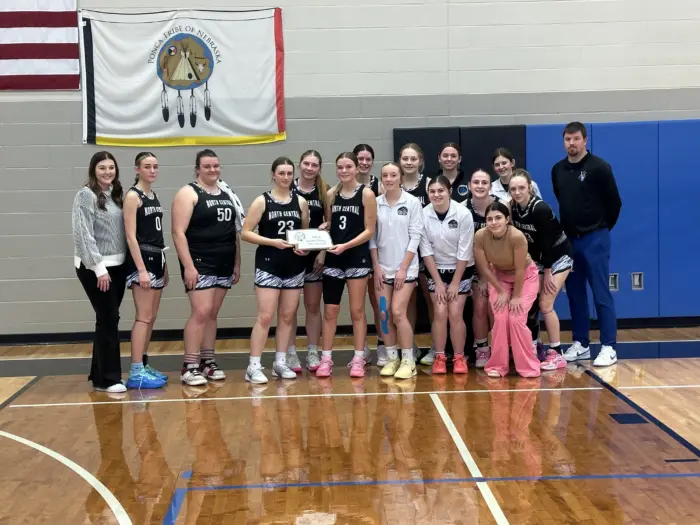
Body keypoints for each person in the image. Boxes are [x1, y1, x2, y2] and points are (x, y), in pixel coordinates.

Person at [552, 122, 622, 367]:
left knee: (601, 293)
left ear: (585, 140)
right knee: (575, 293)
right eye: (567, 139)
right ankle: (581, 344)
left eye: (576, 139)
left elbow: (614, 203)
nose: (571, 143)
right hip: (570, 242)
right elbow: (562, 199)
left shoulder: (599, 167)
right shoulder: (557, 169)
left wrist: (600, 228)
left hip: (595, 238)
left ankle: (609, 346)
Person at [171, 149, 242, 386]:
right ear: (197, 169)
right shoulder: (188, 193)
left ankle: (207, 361)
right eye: (207, 166)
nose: (213, 170)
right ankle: (189, 365)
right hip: (200, 261)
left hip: (224, 261)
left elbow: (234, 231)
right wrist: (188, 266)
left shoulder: (226, 192)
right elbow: (178, 233)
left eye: (216, 166)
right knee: (201, 312)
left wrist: (237, 262)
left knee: (212, 313)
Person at [241, 157, 310, 384]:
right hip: (269, 264)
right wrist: (272, 242)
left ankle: (280, 362)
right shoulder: (262, 201)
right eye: (281, 173)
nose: (286, 177)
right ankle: (253, 365)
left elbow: (303, 234)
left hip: (294, 266)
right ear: (273, 174)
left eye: (289, 173)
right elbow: (245, 232)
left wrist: (304, 248)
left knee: (287, 316)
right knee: (265, 316)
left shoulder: (301, 202)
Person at [316, 152, 377, 378]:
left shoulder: (366, 193)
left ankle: (359, 357)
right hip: (334, 258)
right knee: (330, 311)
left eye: (348, 167)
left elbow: (369, 230)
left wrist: (346, 246)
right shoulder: (331, 194)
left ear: (356, 168)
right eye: (340, 167)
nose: (344, 171)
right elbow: (332, 223)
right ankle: (326, 359)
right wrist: (326, 227)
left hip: (356, 258)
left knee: (357, 310)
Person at [72, 151, 127, 393]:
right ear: (93, 170)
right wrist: (99, 269)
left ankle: (98, 374)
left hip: (119, 266)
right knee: (109, 318)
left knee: (106, 318)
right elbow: (83, 234)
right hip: (96, 269)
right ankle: (109, 379)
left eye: (111, 167)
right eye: (102, 168)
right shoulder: (85, 195)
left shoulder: (116, 194)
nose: (107, 172)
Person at [509, 169, 573, 371]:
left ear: (529, 187)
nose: (517, 192)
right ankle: (534, 346)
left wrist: (547, 273)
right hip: (537, 259)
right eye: (513, 189)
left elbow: (546, 244)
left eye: (521, 188)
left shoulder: (540, 209)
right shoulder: (513, 207)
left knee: (545, 304)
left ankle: (557, 353)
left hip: (557, 256)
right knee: (529, 303)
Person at [473, 202, 541, 378]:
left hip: (524, 277)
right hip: (499, 278)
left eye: (498, 218)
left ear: (507, 219)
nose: (494, 222)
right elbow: (485, 268)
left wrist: (516, 296)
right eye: (489, 219)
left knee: (516, 319)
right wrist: (501, 291)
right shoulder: (480, 236)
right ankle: (497, 365)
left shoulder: (517, 236)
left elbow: (520, 269)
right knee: (501, 318)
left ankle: (528, 366)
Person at [370, 162, 424, 380]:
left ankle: (408, 361)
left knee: (399, 312)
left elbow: (416, 236)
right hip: (382, 269)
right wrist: (376, 266)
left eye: (393, 175)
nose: (389, 179)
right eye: (385, 175)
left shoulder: (412, 202)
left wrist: (403, 269)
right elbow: (371, 238)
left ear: (400, 177)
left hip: (406, 270)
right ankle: (392, 358)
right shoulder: (375, 203)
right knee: (384, 314)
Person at [122, 152, 168, 389]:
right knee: (143, 316)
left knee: (152, 316)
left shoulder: (153, 195)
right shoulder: (133, 196)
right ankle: (135, 370)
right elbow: (130, 236)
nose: (152, 170)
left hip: (157, 256)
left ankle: (143, 362)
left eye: (155, 167)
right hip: (141, 258)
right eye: (147, 166)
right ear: (137, 169)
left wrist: (164, 264)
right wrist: (141, 269)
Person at [420, 176, 475, 374]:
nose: (436, 195)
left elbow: (465, 250)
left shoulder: (463, 214)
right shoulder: (423, 214)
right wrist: (438, 282)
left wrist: (455, 282)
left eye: (440, 190)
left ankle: (459, 357)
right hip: (436, 269)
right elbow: (425, 251)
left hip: (461, 269)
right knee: (440, 312)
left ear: (449, 191)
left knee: (455, 313)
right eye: (432, 191)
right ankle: (440, 356)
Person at [288, 150, 328, 373]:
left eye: (314, 165)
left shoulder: (324, 191)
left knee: (313, 306)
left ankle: (313, 350)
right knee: (289, 308)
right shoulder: (288, 187)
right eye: (306, 163)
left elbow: (329, 223)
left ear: (319, 168)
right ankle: (290, 352)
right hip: (290, 256)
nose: (309, 168)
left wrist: (323, 252)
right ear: (299, 164)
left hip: (315, 257)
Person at [464, 169, 504, 368]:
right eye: (476, 182)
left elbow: (504, 244)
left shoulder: (501, 207)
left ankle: (499, 348)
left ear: (490, 186)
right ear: (469, 186)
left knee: (493, 306)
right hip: (474, 268)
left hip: (499, 267)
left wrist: (489, 278)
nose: (480, 186)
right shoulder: (462, 209)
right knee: (480, 304)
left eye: (484, 182)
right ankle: (481, 349)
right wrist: (481, 278)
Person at [352, 143, 384, 366]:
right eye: (360, 159)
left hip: (376, 249)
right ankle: (361, 348)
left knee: (378, 302)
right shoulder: (344, 186)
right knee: (357, 304)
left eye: (367, 159)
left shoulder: (380, 186)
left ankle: (382, 343)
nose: (363, 163)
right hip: (353, 251)